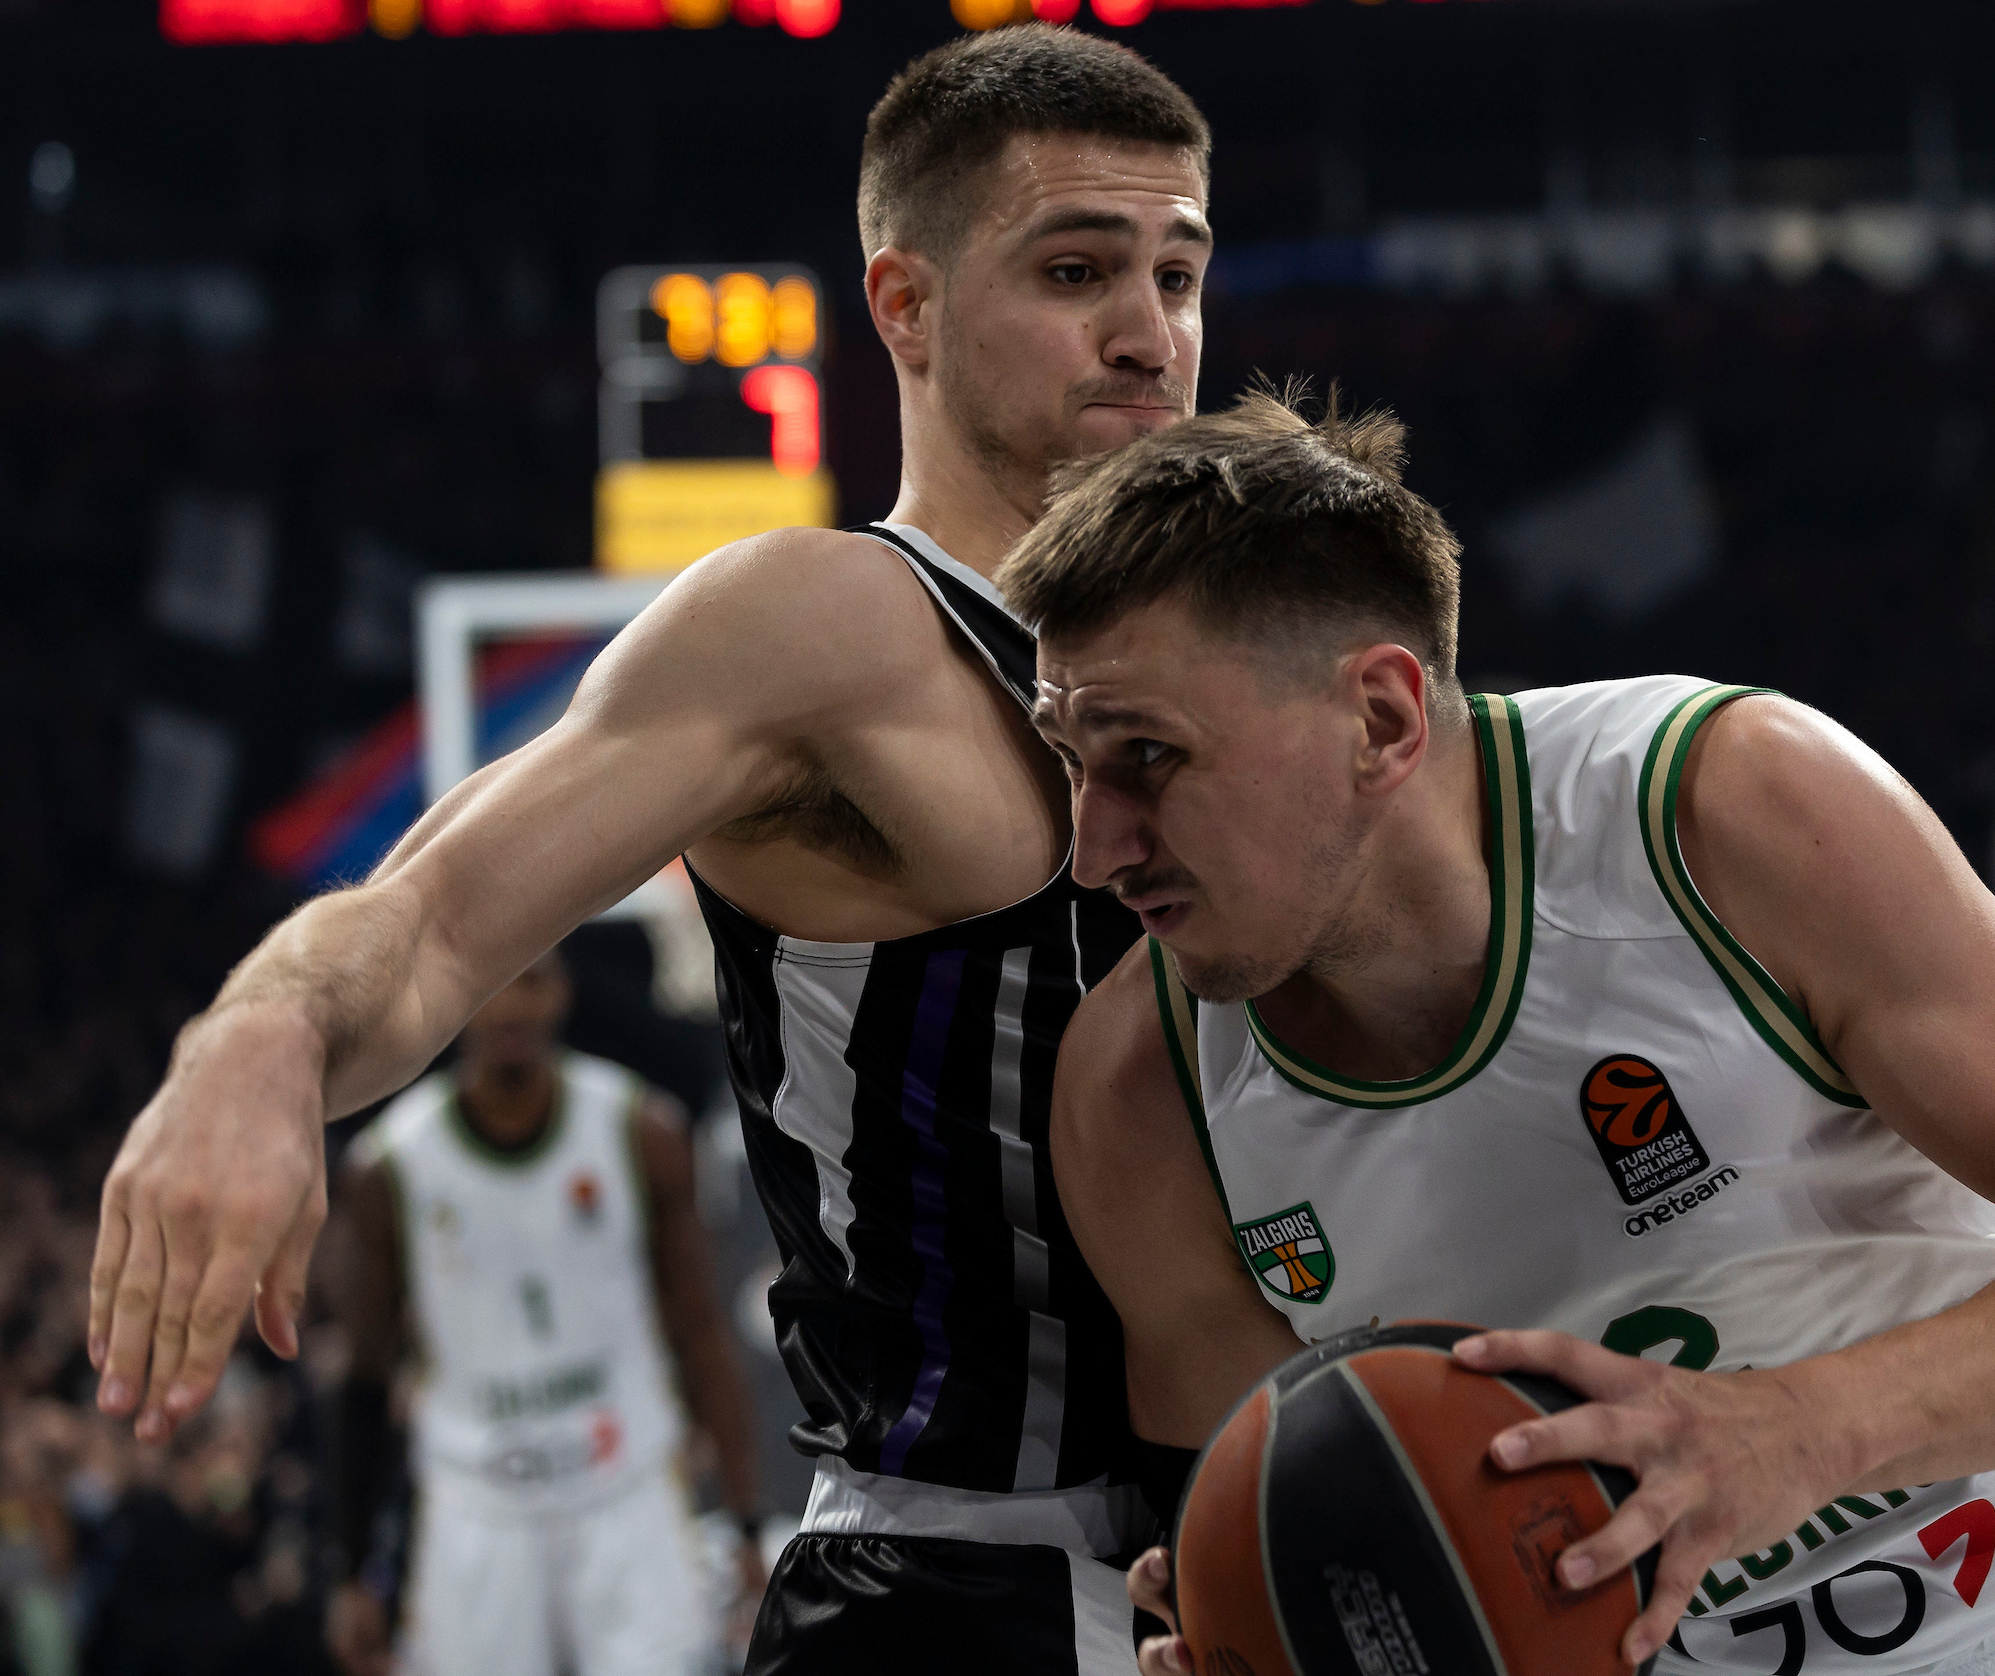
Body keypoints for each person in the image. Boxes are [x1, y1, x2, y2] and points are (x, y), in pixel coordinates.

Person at [85, 24, 1212, 1672]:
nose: (1148, 333)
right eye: (1076, 269)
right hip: (962, 1588)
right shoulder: (828, 624)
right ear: (906, 306)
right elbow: (434, 920)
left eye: (1180, 275)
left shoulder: (1224, 645)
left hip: (1244, 1549)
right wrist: (255, 1038)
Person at [998, 390, 1995, 1675]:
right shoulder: (1137, 1094)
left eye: (1149, 758)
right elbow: (1305, 1536)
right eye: (1067, 756)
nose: (1094, 847)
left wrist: (1793, 1432)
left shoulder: (1726, 806)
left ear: (1381, 720)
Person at [322, 949, 765, 1676]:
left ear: (562, 992)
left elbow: (700, 1331)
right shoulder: (390, 1167)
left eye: (532, 981)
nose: (512, 1009)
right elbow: (364, 1372)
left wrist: (746, 1522)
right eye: (491, 985)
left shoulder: (640, 1130)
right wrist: (350, 1573)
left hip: (626, 1492)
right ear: (456, 1002)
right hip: (476, 1510)